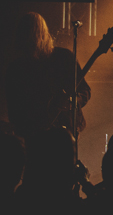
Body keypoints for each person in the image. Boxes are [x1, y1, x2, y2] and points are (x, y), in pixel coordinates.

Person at [5, 12, 91, 140]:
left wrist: (73, 101)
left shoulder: (64, 57)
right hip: (32, 134)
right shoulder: (17, 68)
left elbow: (84, 91)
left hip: (63, 132)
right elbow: (15, 111)